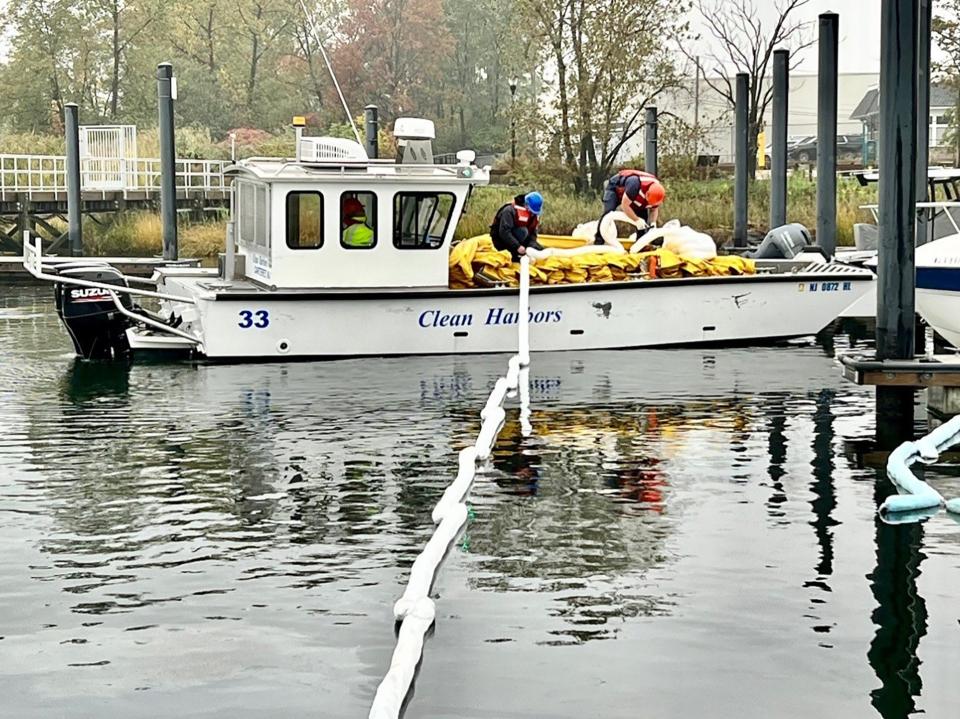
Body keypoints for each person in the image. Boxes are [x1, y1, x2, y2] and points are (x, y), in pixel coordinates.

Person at [595, 170, 665, 244]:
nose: (649, 205)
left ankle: (640, 244)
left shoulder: (657, 191)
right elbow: (624, 206)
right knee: (608, 212)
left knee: (643, 219)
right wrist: (636, 220)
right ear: (647, 194)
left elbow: (654, 210)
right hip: (616, 188)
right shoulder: (635, 185)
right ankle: (598, 241)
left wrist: (652, 223)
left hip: (633, 196)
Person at [490, 191, 545, 260]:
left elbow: (532, 234)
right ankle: (514, 254)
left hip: (520, 242)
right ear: (526, 205)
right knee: (523, 231)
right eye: (531, 211)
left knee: (540, 249)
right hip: (502, 242)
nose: (532, 214)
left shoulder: (533, 215)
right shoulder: (509, 211)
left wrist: (531, 246)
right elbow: (504, 232)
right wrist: (517, 246)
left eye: (534, 213)